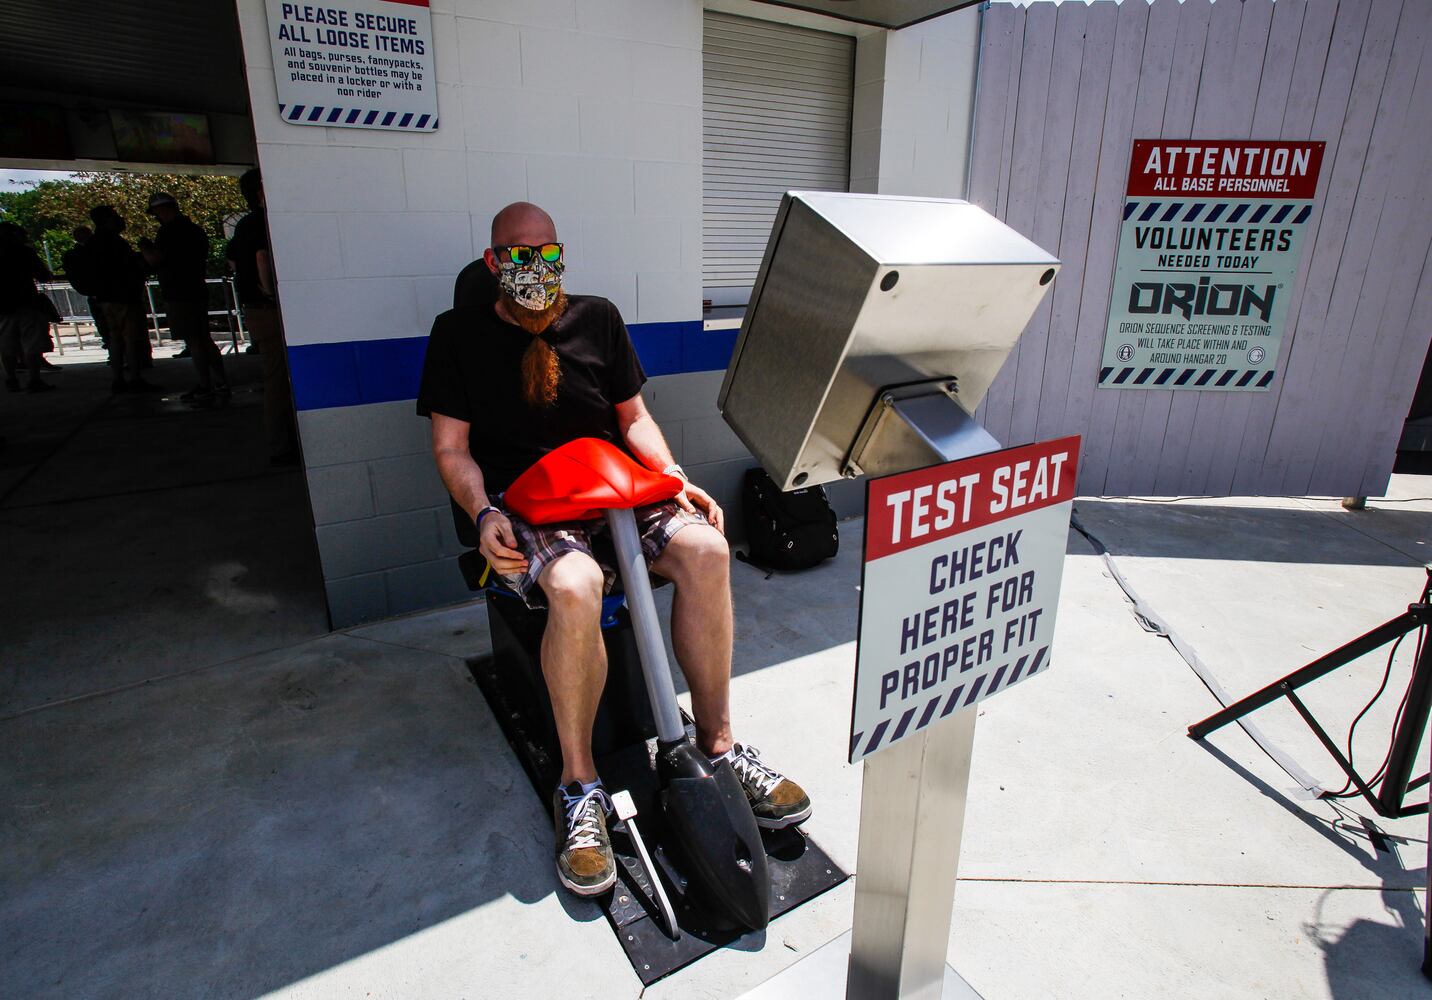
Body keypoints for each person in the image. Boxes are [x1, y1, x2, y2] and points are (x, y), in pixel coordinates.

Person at [417, 202, 811, 898]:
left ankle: (719, 746)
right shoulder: (458, 333)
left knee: (709, 552)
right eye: (516, 254)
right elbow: (451, 448)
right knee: (573, 587)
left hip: (617, 489)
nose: (532, 266)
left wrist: (676, 478)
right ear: (491, 264)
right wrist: (481, 513)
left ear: (560, 254)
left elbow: (634, 417)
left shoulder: (597, 317)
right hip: (531, 502)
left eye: (544, 251)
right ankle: (580, 786)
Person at [226, 169, 297, 463]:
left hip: (259, 310)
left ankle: (284, 442)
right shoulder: (259, 223)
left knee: (279, 379)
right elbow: (261, 258)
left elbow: (231, 260)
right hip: (269, 312)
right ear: (261, 192)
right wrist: (271, 294)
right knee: (279, 381)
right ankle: (282, 448)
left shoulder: (244, 226)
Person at [140, 192, 226, 400]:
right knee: (204, 338)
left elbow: (155, 260)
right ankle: (221, 381)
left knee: (194, 340)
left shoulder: (168, 232)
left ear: (162, 210)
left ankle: (206, 384)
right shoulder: (195, 230)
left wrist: (144, 248)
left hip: (179, 292)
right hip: (196, 288)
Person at [87, 205, 158, 393]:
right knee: (131, 339)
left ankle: (118, 378)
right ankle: (135, 377)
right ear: (107, 220)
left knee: (115, 340)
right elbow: (130, 267)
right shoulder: (114, 243)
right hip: (124, 298)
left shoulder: (93, 243)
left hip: (105, 299)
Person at [0, 222, 56, 393]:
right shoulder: (24, 252)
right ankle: (34, 379)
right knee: (31, 343)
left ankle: (11, 378)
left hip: (2, 306)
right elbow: (43, 276)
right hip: (27, 303)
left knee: (7, 344)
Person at [62, 225, 110, 355]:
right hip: (106, 293)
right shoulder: (100, 251)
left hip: (93, 294)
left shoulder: (73, 255)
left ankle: (114, 352)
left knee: (105, 325)